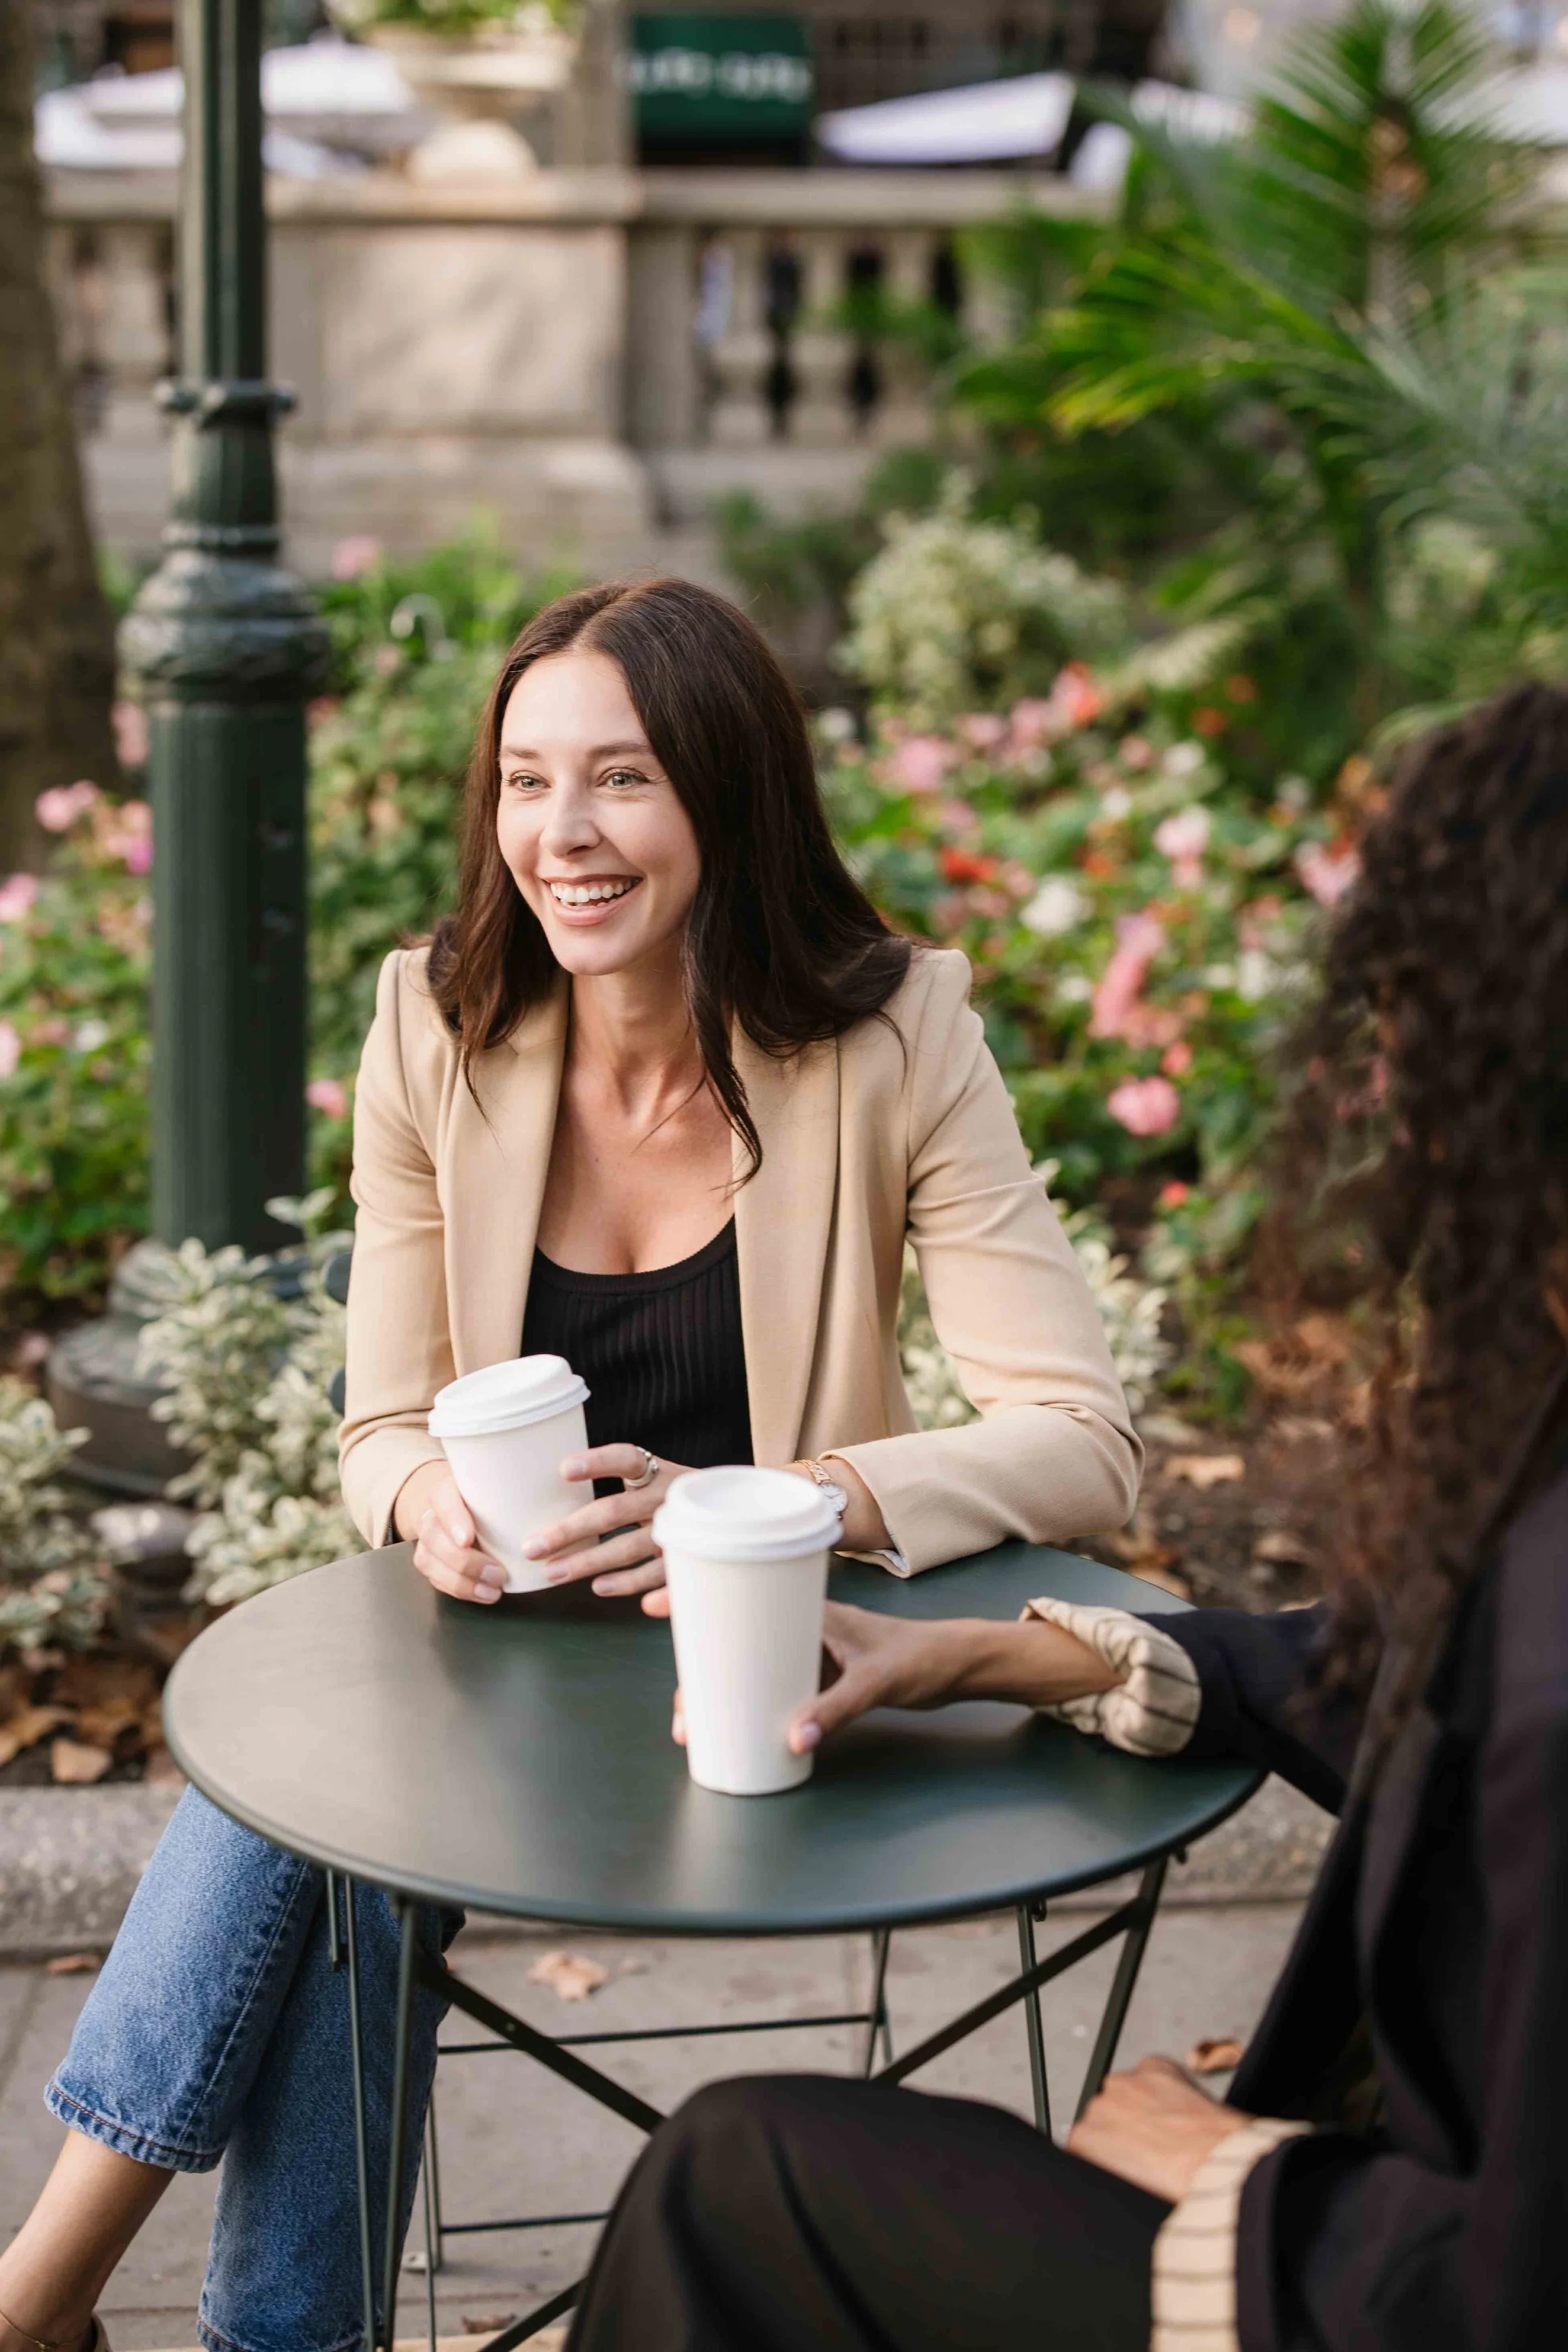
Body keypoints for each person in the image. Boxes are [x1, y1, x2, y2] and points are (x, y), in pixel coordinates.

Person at [0, 579, 1138, 2352]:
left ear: (726, 794)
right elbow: (380, 1428)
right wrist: (424, 1504)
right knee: (318, 1814)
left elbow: (1082, 1437)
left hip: (754, 1680)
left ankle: (48, 2297)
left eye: (618, 778)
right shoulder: (432, 1024)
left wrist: (785, 1501)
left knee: (320, 1828)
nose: (561, 833)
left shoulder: (898, 1038)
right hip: (484, 1668)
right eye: (525, 781)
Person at [564, 680, 1568, 2352]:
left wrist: (1233, 2166)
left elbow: (1511, 2295)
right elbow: (1386, 1669)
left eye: (1405, 1020)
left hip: (1366, 2279)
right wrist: (996, 1653)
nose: (1377, 1077)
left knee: (737, 2173)